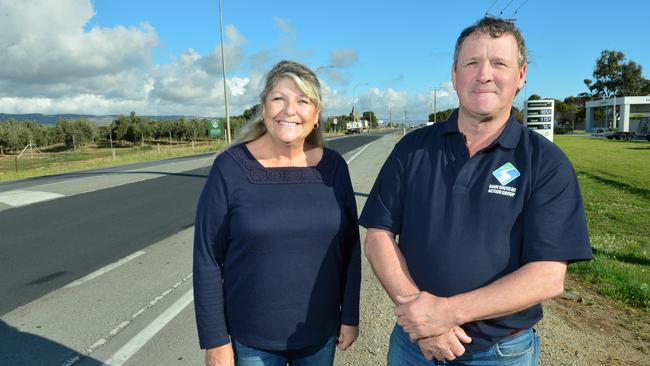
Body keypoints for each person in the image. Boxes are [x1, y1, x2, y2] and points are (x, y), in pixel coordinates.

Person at [359, 16, 592, 365]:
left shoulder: (546, 163)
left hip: (500, 352)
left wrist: (446, 313)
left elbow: (548, 276)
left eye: (499, 63)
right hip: (413, 345)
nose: (484, 74)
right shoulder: (413, 149)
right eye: (472, 63)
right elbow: (378, 235)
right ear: (454, 75)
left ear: (521, 75)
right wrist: (422, 317)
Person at [193, 60, 360, 366]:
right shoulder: (230, 168)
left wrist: (349, 314)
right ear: (264, 106)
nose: (289, 110)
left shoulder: (334, 168)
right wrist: (215, 340)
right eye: (279, 98)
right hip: (252, 341)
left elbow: (350, 248)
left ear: (316, 114)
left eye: (303, 101)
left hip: (319, 335)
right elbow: (207, 258)